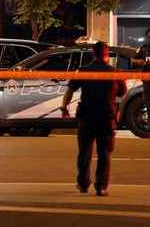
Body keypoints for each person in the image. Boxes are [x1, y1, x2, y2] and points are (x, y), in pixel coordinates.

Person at [61, 42, 127, 196]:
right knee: (104, 153)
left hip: (87, 117)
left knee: (84, 152)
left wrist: (64, 108)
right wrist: (115, 106)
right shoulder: (115, 72)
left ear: (93, 54)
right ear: (106, 54)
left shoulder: (84, 71)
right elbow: (122, 93)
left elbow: (69, 91)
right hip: (106, 117)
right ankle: (101, 186)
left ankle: (83, 184)